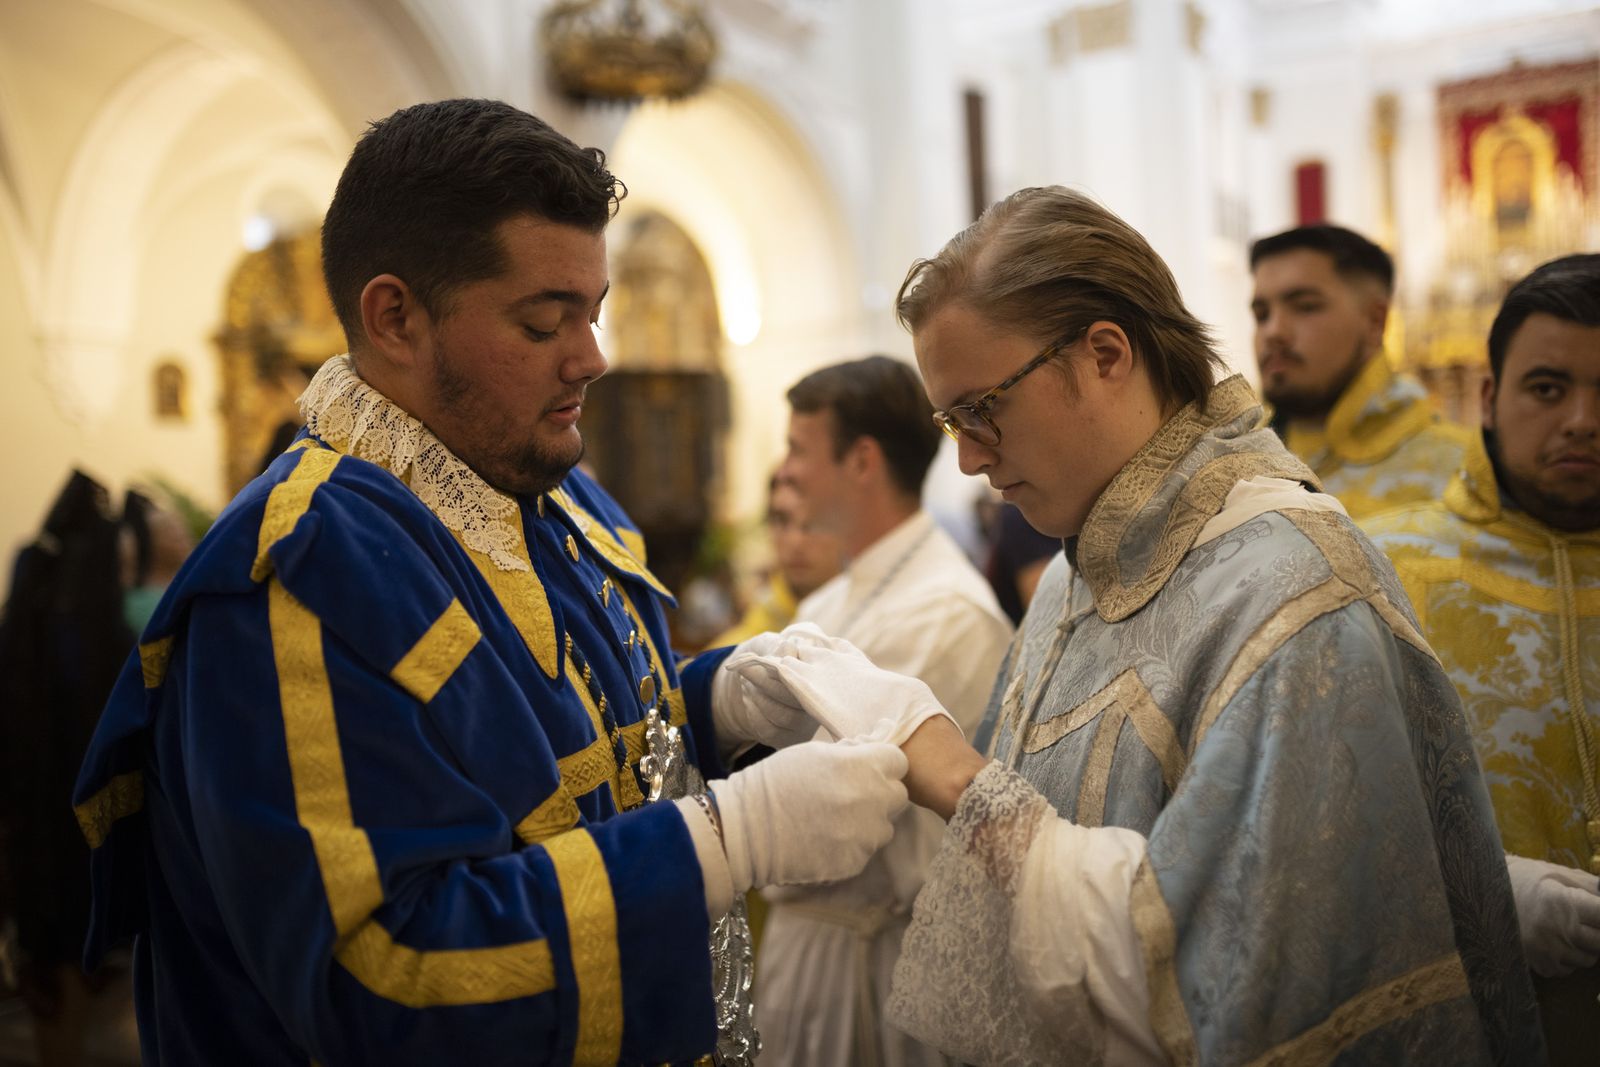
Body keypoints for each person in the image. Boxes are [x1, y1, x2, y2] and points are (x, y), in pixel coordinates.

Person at [69, 99, 913, 1065]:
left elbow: (555, 753)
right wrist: (729, 840)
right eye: (543, 321)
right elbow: (394, 982)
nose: (592, 358)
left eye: (592, 313)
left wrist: (716, 705)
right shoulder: (293, 578)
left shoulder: (552, 492)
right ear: (395, 317)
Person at [729, 187, 1545, 1064]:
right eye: (950, 420)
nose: (965, 457)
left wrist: (957, 776)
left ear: (1106, 353)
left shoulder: (1294, 592)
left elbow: (1242, 983)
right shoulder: (1071, 575)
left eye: (984, 407)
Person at [1364, 254, 1600, 1065]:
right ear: (1490, 399)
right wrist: (1477, 892)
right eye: (1548, 387)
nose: (1582, 420)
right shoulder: (1385, 571)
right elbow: (1319, 811)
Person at [758, 356, 1013, 1066]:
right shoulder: (828, 599)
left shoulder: (947, 611)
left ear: (862, 460)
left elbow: (824, 802)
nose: (787, 473)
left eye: (798, 449)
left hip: (870, 967)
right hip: (812, 947)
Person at [1250, 224, 1472, 519]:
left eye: (1305, 307)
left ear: (1374, 321)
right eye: (1262, 315)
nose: (1273, 331)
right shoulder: (1236, 470)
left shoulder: (1463, 474)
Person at [710, 475, 843, 648]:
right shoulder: (732, 652)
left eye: (816, 521)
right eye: (782, 520)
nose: (796, 541)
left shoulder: (871, 630)